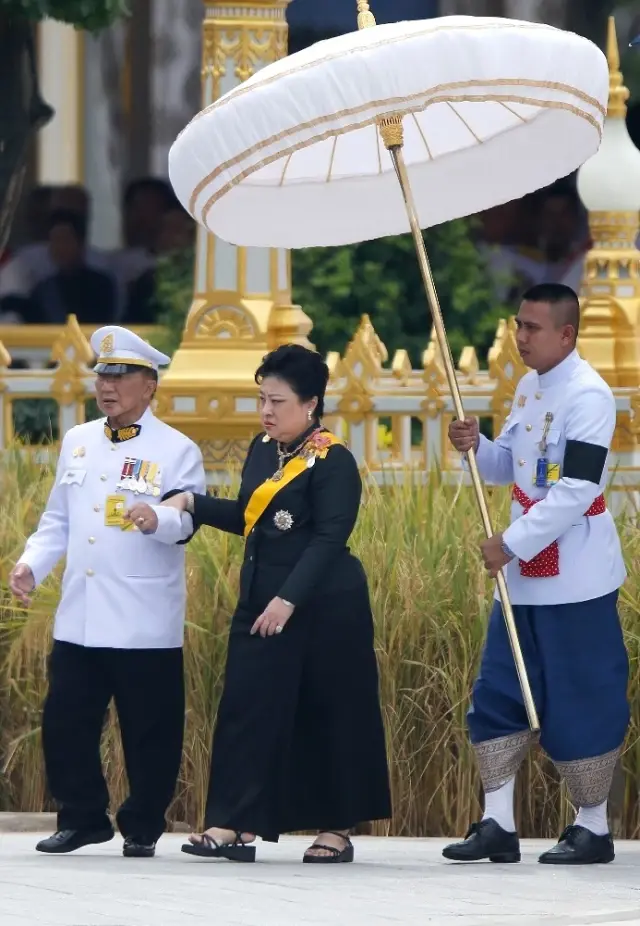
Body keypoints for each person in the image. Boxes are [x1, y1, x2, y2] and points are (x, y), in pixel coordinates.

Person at [161, 343, 392, 864]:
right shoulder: (264, 449)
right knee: (246, 706)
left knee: (328, 709)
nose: (267, 411)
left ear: (310, 404)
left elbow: (329, 537)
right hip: (261, 598)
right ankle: (234, 823)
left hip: (325, 605)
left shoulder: (334, 460)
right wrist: (192, 502)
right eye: (262, 399)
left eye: (278, 401)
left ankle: (336, 827)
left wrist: (289, 599)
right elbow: (249, 514)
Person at [443, 283, 629, 866]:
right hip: (521, 578)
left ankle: (593, 827)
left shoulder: (590, 396)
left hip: (574, 577)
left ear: (566, 334)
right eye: (518, 324)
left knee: (581, 694)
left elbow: (576, 489)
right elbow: (519, 470)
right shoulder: (528, 388)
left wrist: (511, 542)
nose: (519, 337)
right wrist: (480, 446)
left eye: (532, 328)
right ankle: (497, 822)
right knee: (500, 689)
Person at [9, 325, 206, 858]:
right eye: (102, 374)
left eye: (121, 375)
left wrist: (157, 519)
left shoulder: (177, 448)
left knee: (150, 732)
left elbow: (188, 522)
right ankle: (82, 818)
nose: (107, 385)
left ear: (150, 386)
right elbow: (58, 519)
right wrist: (31, 564)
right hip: (82, 613)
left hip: (143, 616)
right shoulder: (78, 440)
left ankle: (142, 824)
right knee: (65, 723)